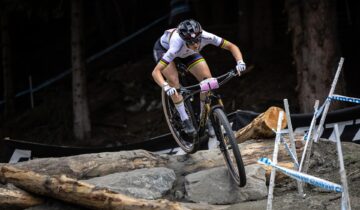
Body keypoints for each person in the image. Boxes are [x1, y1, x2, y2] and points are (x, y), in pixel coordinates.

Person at [152, 19, 246, 135]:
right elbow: (156, 72)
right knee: (174, 82)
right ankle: (184, 118)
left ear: (200, 35)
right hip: (164, 50)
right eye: (191, 42)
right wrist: (166, 86)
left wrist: (240, 62)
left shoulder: (207, 36)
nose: (195, 45)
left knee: (208, 81)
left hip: (188, 53)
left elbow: (232, 46)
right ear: (184, 39)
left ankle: (204, 116)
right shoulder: (176, 46)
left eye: (197, 41)